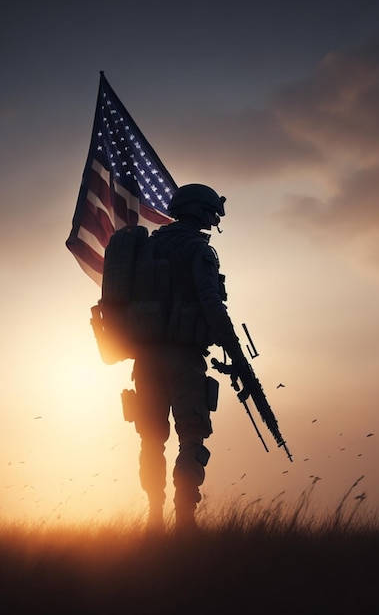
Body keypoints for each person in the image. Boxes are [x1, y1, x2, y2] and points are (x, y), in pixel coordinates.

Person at [128, 183, 245, 531]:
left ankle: (153, 518)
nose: (214, 219)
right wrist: (233, 347)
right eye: (211, 212)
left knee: (151, 438)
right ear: (200, 211)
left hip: (144, 359)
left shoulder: (147, 248)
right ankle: (184, 522)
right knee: (191, 438)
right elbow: (211, 303)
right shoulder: (199, 250)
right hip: (183, 357)